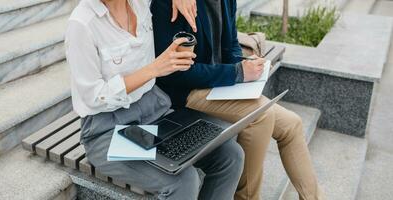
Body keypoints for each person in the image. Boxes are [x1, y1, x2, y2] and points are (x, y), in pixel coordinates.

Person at [65, 0, 245, 199]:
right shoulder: (82, 24)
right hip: (107, 129)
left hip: (155, 111)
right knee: (184, 181)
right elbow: (93, 96)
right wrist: (153, 69)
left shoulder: (141, 4)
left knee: (230, 156)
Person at [151, 0, 326, 199]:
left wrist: (245, 64)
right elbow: (175, 73)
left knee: (292, 124)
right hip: (184, 92)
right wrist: (237, 72)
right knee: (261, 116)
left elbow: (232, 46)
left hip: (219, 85)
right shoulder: (171, 4)